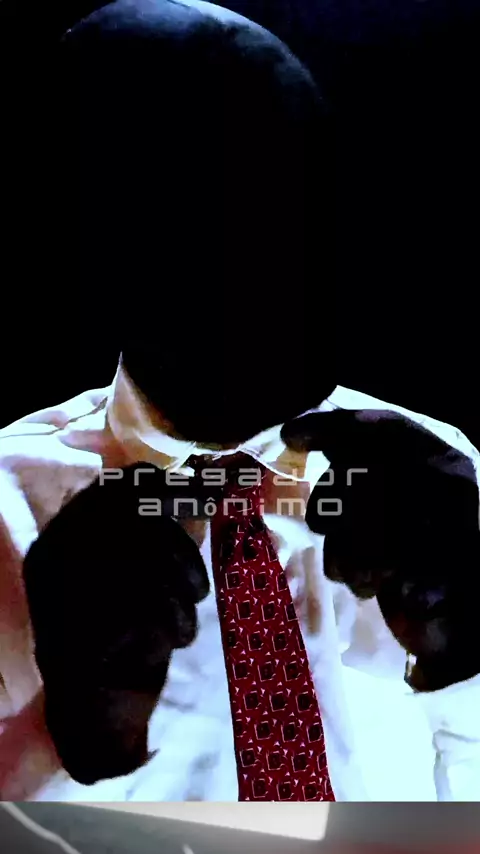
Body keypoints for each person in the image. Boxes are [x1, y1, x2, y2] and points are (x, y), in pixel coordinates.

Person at [0, 0, 479, 803]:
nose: (292, 249)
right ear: (91, 241)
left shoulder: (446, 484)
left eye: (309, 191)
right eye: (210, 202)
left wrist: (466, 668)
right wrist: (67, 738)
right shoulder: (1, 512)